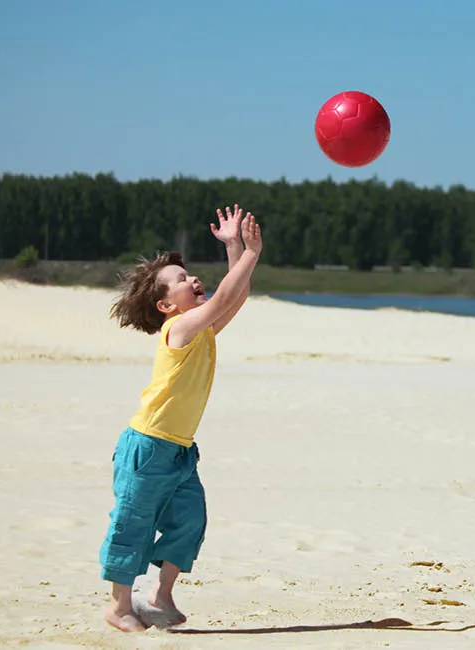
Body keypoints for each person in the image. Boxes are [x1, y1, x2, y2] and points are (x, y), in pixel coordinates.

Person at [98, 206, 262, 632]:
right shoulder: (179, 330)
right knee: (133, 524)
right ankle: (118, 607)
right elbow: (226, 295)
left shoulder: (201, 328)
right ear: (166, 304)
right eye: (181, 280)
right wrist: (250, 253)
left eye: (188, 273)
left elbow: (236, 297)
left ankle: (159, 595)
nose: (192, 279)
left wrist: (233, 247)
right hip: (147, 446)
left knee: (190, 519)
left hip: (178, 450)